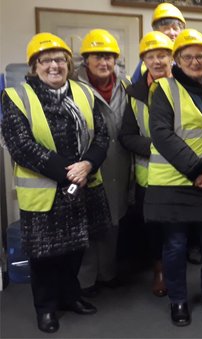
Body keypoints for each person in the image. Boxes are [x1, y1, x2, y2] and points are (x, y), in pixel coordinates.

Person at [1, 33, 111, 333]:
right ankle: (46, 308)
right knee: (44, 256)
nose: (54, 65)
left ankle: (70, 297)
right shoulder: (17, 97)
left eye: (60, 59)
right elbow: (21, 146)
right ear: (34, 66)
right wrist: (69, 173)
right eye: (46, 60)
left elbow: (102, 135)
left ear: (68, 64)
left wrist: (88, 163)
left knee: (76, 249)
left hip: (83, 187)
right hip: (47, 192)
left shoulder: (84, 93)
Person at [143, 29, 202, 326]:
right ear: (177, 60)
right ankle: (178, 301)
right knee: (175, 246)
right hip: (174, 182)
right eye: (187, 56)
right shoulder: (163, 90)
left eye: (200, 56)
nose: (194, 61)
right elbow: (162, 135)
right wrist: (198, 171)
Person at [74, 29, 131, 296]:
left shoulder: (126, 85)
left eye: (109, 57)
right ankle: (85, 282)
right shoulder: (73, 87)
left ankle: (107, 274)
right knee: (87, 224)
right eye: (98, 56)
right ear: (86, 59)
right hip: (89, 164)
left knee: (114, 220)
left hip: (120, 162)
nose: (104, 63)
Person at [118, 31, 173, 298]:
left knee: (178, 225)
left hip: (180, 173)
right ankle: (159, 271)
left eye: (162, 55)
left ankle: (176, 268)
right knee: (153, 229)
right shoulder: (135, 93)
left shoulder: (185, 86)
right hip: (149, 176)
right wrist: (156, 147)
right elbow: (126, 135)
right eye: (151, 57)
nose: (157, 61)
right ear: (144, 61)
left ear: (171, 58)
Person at [131, 2, 186, 83]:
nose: (172, 33)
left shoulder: (192, 56)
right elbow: (135, 89)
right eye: (166, 28)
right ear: (156, 31)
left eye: (175, 28)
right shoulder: (144, 65)